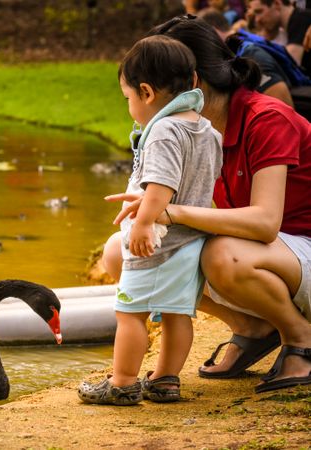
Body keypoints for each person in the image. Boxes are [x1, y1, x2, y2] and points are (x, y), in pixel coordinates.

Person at [102, 15, 311, 394]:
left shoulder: (265, 118)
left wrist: (170, 213)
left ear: (191, 80)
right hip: (275, 255)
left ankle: (301, 336)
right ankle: (252, 327)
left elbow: (264, 223)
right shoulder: (192, 132)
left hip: (299, 245)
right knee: (123, 250)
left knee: (221, 253)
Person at [78, 35, 223, 406]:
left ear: (145, 92)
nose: (129, 106)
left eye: (127, 98)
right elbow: (195, 183)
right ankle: (165, 379)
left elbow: (163, 184)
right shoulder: (206, 131)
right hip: (191, 242)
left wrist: (143, 223)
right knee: (177, 315)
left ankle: (123, 382)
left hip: (156, 242)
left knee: (129, 314)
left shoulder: (163, 130)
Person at [248, 0, 311, 72]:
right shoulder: (296, 20)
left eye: (259, 12)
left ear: (277, 4)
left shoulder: (300, 20)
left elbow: (288, 66)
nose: (257, 19)